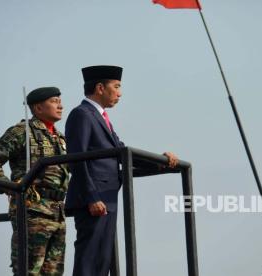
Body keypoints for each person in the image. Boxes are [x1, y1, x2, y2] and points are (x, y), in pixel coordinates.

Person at [65, 65, 178, 276]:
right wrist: (91, 198)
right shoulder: (82, 114)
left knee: (102, 259)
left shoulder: (100, 117)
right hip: (95, 198)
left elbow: (121, 152)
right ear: (100, 88)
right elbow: (76, 160)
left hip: (107, 197)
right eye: (116, 86)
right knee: (89, 257)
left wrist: (161, 162)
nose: (120, 93)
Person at [0, 87, 69, 276]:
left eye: (60, 101)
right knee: (29, 269)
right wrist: (11, 188)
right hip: (32, 209)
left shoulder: (60, 137)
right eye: (54, 101)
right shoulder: (22, 131)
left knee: (53, 271)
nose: (60, 106)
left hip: (57, 211)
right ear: (38, 107)